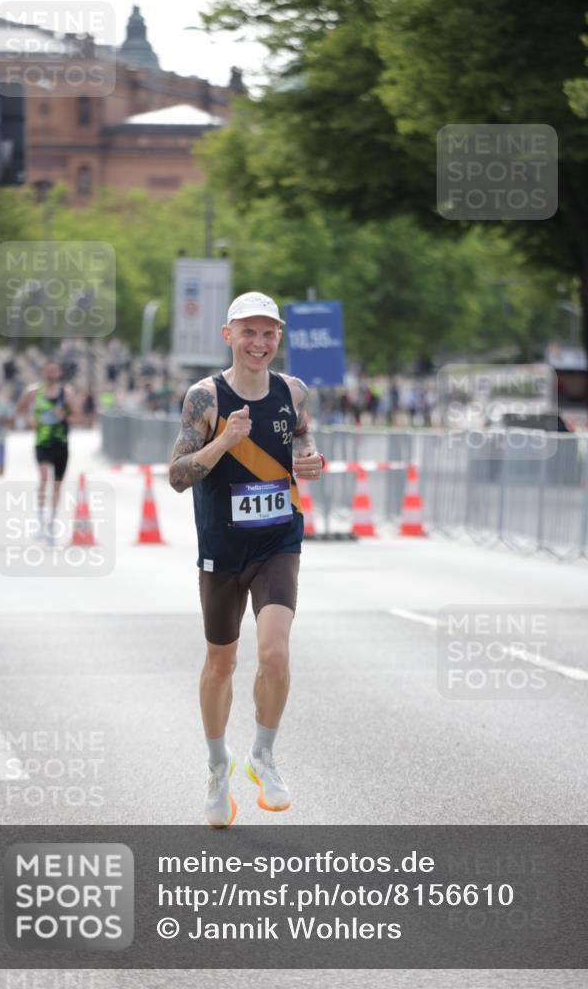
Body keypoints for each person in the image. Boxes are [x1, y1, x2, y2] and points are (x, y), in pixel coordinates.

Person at [168, 292, 324, 828]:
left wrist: (309, 460)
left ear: (278, 337)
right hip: (222, 546)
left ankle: (263, 754)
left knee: (275, 653)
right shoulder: (204, 397)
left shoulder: (293, 390)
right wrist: (222, 441)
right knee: (221, 663)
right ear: (228, 336)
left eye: (269, 333)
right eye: (249, 333)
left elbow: (301, 435)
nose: (260, 343)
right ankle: (218, 767)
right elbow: (176, 475)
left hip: (278, 539)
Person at [15, 359, 80, 544]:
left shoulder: (65, 393)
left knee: (57, 484)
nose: (51, 374)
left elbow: (78, 415)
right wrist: (29, 420)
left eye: (54, 371)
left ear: (59, 373)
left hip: (60, 442)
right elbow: (19, 409)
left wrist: (65, 415)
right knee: (43, 477)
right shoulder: (33, 392)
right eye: (48, 370)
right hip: (42, 442)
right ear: (43, 372)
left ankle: (52, 522)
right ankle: (40, 520)